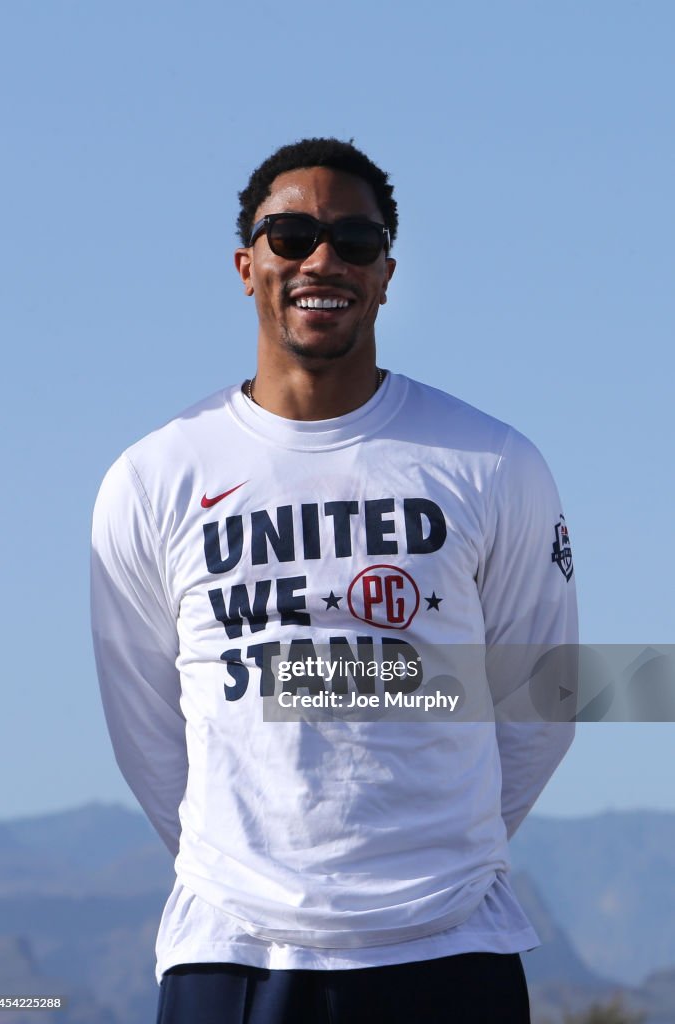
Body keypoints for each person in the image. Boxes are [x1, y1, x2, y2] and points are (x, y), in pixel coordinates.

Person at [91, 137, 578, 1023]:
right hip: (233, 950)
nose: (324, 259)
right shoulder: (152, 478)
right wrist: (252, 874)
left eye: (355, 241)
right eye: (292, 236)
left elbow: (543, 697)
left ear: (386, 273)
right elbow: (148, 730)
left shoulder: (494, 463)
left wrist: (440, 862)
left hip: (449, 944)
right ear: (247, 264)